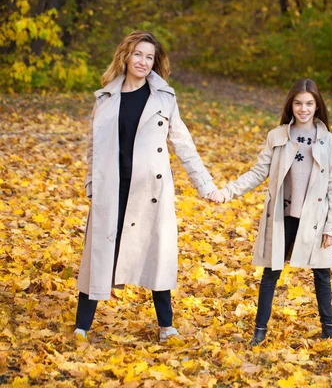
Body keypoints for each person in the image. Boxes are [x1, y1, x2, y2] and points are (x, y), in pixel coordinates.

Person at [75, 30, 225, 342]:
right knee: (98, 253)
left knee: (157, 255)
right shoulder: (105, 98)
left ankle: (166, 326)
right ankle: (82, 326)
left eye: (149, 57)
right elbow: (93, 146)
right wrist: (92, 184)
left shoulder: (164, 99)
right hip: (111, 187)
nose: (143, 61)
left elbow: (183, 144)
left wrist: (206, 185)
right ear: (126, 57)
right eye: (138, 54)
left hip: (151, 190)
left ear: (155, 62)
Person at [214, 78, 332, 346]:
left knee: (321, 273)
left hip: (315, 218)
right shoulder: (278, 136)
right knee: (271, 273)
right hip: (283, 216)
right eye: (298, 103)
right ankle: (259, 331)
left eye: (309, 103)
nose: (303, 109)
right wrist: (229, 191)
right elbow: (260, 171)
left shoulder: (328, 140)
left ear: (317, 106)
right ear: (291, 104)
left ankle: (329, 330)